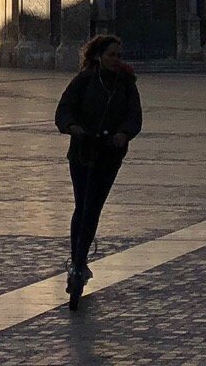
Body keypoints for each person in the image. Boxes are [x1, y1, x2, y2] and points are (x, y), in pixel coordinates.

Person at [55, 35, 142, 307]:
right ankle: (77, 261)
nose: (117, 59)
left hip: (109, 153)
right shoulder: (84, 80)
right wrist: (72, 127)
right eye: (112, 55)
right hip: (83, 149)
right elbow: (64, 109)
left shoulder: (126, 84)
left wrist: (124, 133)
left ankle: (79, 262)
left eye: (119, 55)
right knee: (82, 204)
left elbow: (134, 116)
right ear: (99, 56)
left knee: (93, 207)